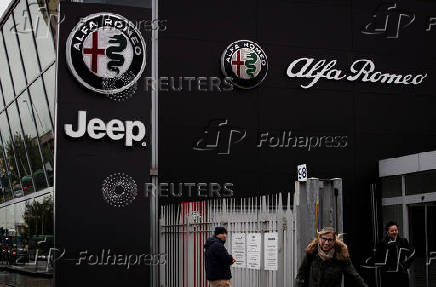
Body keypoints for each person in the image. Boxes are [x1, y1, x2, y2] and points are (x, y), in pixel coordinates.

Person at [295, 227, 368, 287]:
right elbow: (301, 276)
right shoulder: (311, 253)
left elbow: (355, 277)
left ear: (334, 241)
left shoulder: (341, 256)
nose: (326, 243)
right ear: (319, 238)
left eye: (330, 240)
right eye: (324, 239)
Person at [374, 221, 415, 287]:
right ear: (387, 232)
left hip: (401, 274)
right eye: (392, 231)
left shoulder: (403, 241)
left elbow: (412, 253)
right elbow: (377, 257)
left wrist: (405, 265)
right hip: (388, 275)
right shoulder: (382, 243)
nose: (395, 232)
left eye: (396, 230)